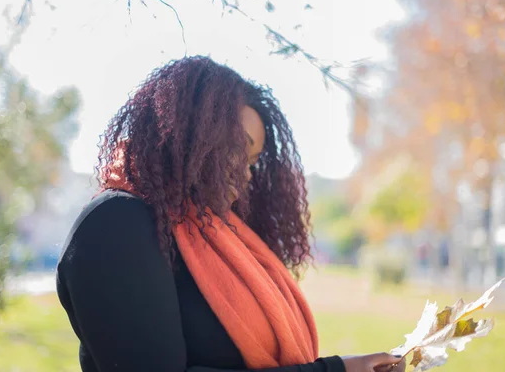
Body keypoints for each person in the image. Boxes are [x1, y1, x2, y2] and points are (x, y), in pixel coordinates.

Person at [56, 56, 406, 372]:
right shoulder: (116, 225)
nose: (248, 174)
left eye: (253, 161)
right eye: (239, 151)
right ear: (189, 136)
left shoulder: (221, 234)